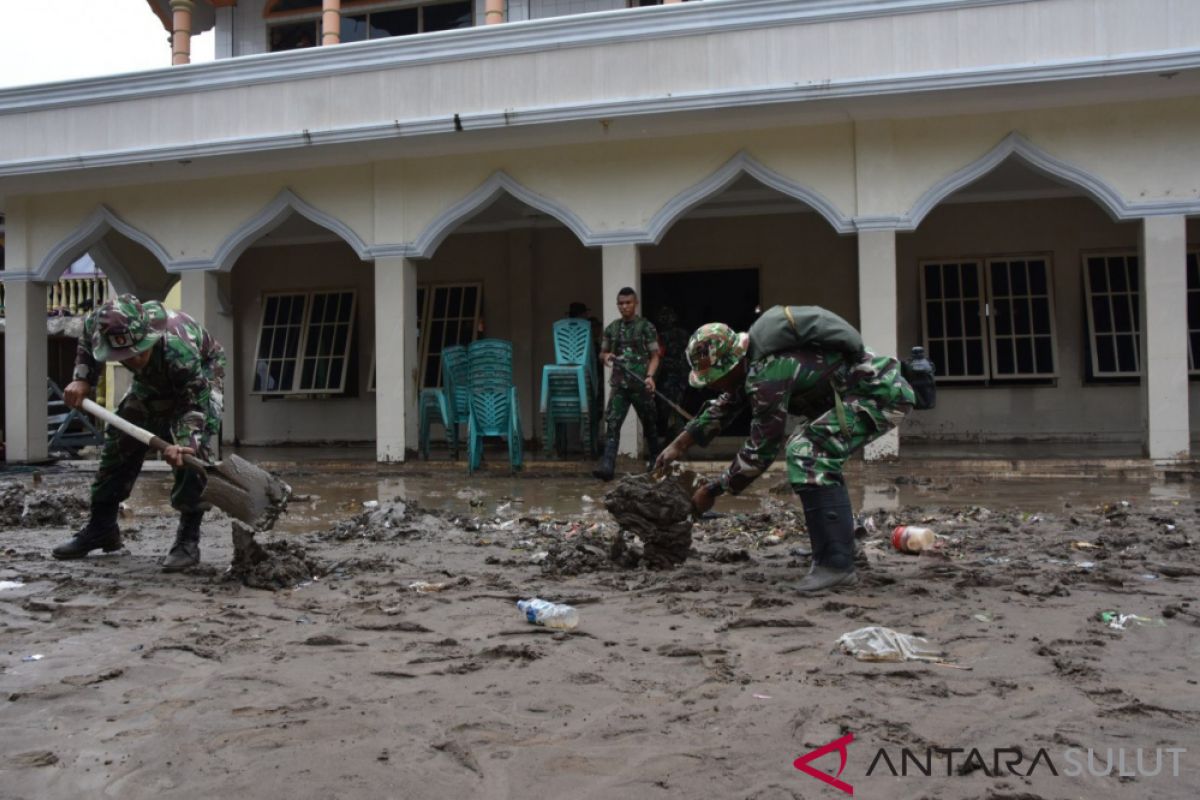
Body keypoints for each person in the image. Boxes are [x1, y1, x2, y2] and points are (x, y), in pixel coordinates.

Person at [655, 305, 915, 594]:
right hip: (864, 394)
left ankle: (836, 565)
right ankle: (838, 544)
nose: (711, 387)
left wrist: (712, 490)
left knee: (808, 452)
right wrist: (678, 445)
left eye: (712, 379)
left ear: (730, 366)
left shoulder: (767, 376)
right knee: (809, 450)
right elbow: (725, 406)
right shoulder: (752, 363)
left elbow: (760, 452)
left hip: (881, 395)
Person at [52, 294, 227, 572]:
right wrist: (83, 378)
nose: (132, 362)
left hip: (201, 376)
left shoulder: (179, 352)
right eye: (124, 357)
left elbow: (192, 407)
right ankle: (102, 527)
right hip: (151, 382)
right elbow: (87, 337)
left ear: (150, 337)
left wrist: (183, 442)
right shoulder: (101, 325)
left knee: (193, 454)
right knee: (120, 441)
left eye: (138, 354)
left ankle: (187, 540)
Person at [593, 288, 661, 481]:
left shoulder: (646, 327)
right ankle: (607, 466)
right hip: (619, 385)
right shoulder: (612, 328)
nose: (624, 306)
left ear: (635, 303)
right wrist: (606, 356)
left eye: (628, 303)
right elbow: (602, 353)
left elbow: (655, 356)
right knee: (613, 423)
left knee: (649, 423)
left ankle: (656, 461)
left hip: (641, 384)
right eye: (621, 303)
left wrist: (650, 376)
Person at [653, 305, 691, 441]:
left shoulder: (661, 337)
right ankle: (673, 441)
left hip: (669, 377)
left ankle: (679, 441)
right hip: (683, 377)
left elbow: (659, 358)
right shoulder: (684, 334)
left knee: (671, 410)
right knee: (675, 409)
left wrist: (654, 378)